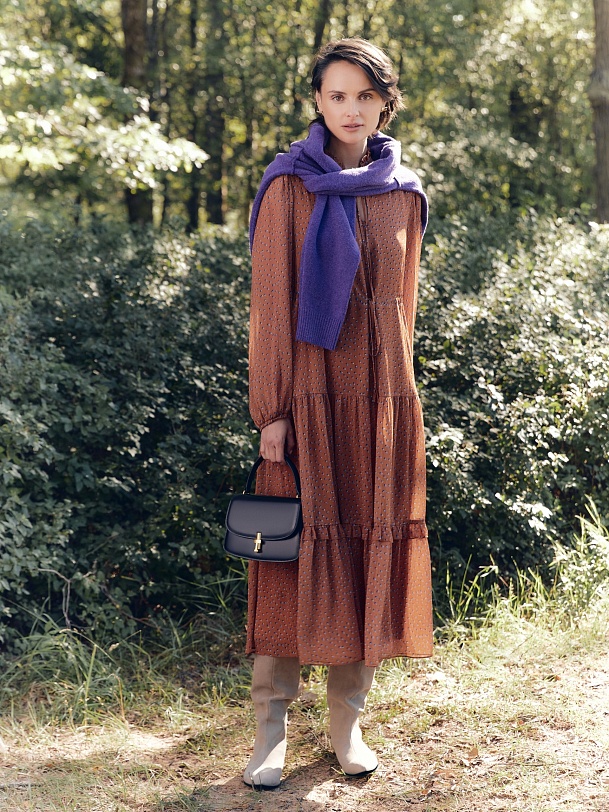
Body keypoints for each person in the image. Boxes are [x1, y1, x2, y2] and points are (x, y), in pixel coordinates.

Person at [244, 37, 433, 789]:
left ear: (385, 103)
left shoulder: (404, 192)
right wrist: (272, 410)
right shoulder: (287, 187)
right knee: (288, 561)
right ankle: (269, 733)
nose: (351, 109)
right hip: (308, 398)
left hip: (380, 400)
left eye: (365, 96)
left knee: (364, 557)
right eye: (336, 96)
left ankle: (346, 726)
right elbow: (270, 307)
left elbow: (404, 307)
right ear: (318, 104)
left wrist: (401, 405)